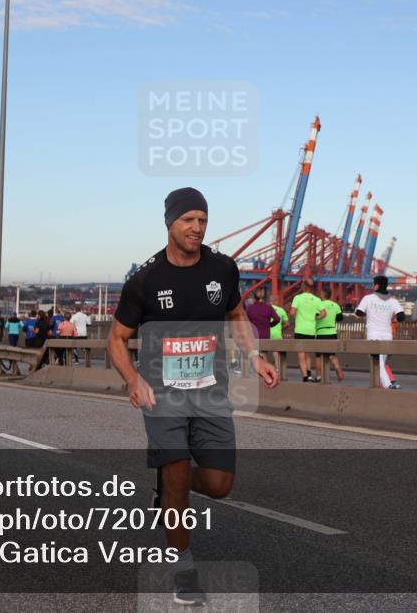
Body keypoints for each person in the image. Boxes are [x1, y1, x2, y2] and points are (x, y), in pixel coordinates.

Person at [107, 187, 279, 606]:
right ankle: (183, 565)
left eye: (202, 220)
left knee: (220, 485)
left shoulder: (223, 269)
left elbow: (236, 315)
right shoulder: (146, 280)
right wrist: (133, 380)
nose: (197, 228)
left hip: (211, 392)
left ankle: (170, 490)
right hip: (161, 395)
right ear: (170, 223)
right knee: (179, 470)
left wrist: (254, 357)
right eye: (188, 220)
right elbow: (117, 338)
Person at [356, 275, 406, 390]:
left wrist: (369, 314)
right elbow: (401, 317)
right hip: (387, 335)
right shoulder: (393, 301)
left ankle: (388, 385)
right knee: (381, 363)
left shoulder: (368, 298)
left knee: (377, 363)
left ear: (376, 285)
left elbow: (359, 313)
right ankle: (379, 385)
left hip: (373, 334)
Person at [289, 278, 326, 382]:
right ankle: (309, 374)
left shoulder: (298, 298)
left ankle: (305, 376)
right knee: (308, 354)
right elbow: (324, 313)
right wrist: (315, 318)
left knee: (301, 354)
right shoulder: (317, 299)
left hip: (300, 329)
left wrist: (298, 316)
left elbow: (292, 312)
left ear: (303, 286)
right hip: (311, 330)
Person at [315, 285, 345, 382]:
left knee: (319, 356)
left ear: (323, 294)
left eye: (320, 293)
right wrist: (331, 319)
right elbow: (340, 317)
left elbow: (315, 316)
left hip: (321, 332)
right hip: (332, 331)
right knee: (332, 354)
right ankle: (337, 367)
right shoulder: (335, 305)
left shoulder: (319, 304)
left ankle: (319, 376)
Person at [269, 300, 289, 373]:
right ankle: (277, 368)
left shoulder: (266, 309)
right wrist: (281, 329)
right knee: (276, 351)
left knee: (263, 351)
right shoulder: (281, 310)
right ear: (277, 302)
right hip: (277, 333)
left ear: (269, 301)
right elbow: (287, 324)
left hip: (266, 333)